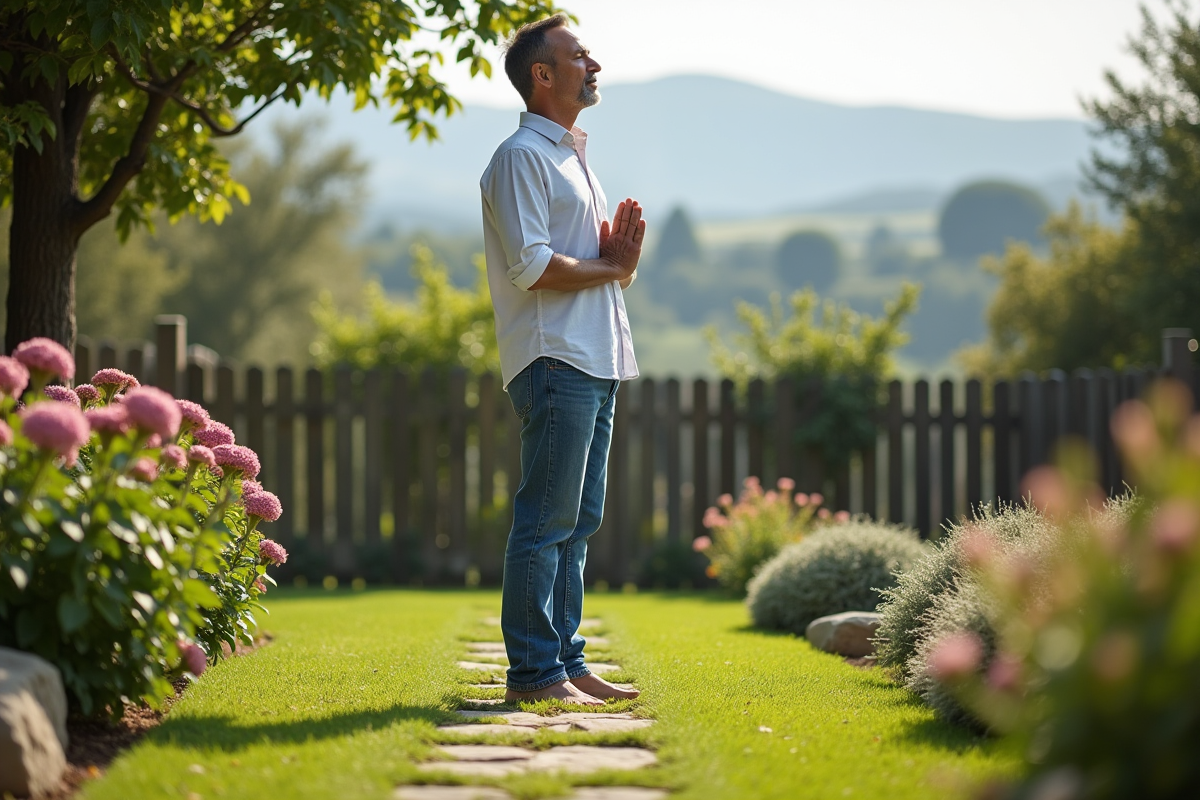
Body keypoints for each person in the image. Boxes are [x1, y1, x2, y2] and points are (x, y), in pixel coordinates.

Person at [480, 14, 646, 706]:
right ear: (542, 75)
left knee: (577, 524)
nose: (593, 64)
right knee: (546, 521)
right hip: (556, 360)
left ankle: (566, 662)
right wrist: (613, 268)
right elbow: (533, 268)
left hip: (595, 360)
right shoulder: (521, 157)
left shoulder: (573, 159)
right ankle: (534, 675)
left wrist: (616, 265)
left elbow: (596, 269)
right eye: (580, 55)